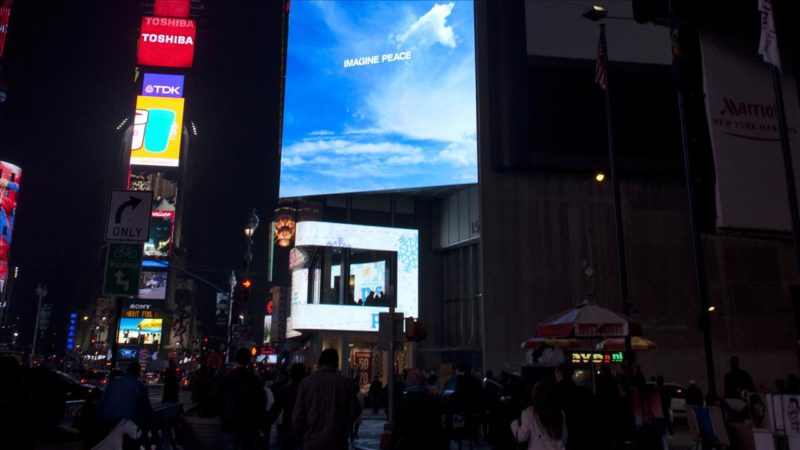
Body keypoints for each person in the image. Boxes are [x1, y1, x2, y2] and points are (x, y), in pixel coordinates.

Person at [292, 349, 361, 450]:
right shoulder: (345, 383)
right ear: (336, 363)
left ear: (320, 362)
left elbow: (298, 416)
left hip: (312, 441)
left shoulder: (306, 383)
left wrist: (301, 436)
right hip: (337, 441)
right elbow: (355, 412)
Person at [217, 348, 267, 450]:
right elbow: (261, 403)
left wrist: (223, 417)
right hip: (248, 424)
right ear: (249, 360)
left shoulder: (226, 379)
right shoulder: (254, 380)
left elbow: (218, 399)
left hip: (229, 423)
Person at [394, 368, 443, 449]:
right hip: (427, 440)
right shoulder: (431, 399)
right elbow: (437, 423)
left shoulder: (404, 400)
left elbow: (399, 424)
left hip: (408, 440)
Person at [511, 382, 567, 450]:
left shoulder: (529, 412)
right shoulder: (559, 411)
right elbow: (564, 435)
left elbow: (521, 437)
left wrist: (514, 423)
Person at [96, 361, 152, 428]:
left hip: (107, 421)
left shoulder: (113, 383)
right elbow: (146, 407)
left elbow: (102, 402)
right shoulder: (140, 386)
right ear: (138, 372)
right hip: (126, 424)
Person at [553, 364, 594, 450]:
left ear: (559, 374)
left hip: (564, 439)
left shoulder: (554, 392)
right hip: (584, 436)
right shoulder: (585, 393)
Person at [267, 363, 306, 450]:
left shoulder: (286, 391)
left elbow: (275, 410)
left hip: (286, 427)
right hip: (303, 429)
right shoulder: (308, 391)